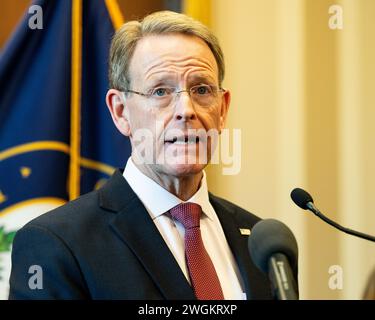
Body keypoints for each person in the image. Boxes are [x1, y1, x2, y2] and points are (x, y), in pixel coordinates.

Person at [9, 11, 277, 300]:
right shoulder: (56, 244)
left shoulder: (264, 242)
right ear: (120, 111)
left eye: (201, 89)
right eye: (160, 91)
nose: (186, 110)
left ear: (222, 109)